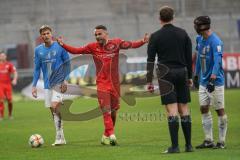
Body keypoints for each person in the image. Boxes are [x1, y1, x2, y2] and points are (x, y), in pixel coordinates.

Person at [57, 25, 149, 146]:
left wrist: (143, 41)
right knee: (106, 110)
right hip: (102, 83)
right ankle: (112, 135)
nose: (97, 36)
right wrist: (63, 44)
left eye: (99, 34)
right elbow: (76, 51)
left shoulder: (116, 43)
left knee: (114, 111)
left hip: (115, 84)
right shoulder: (92, 47)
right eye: (95, 35)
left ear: (106, 34)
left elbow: (131, 44)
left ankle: (106, 135)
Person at [146, 6, 193, 153]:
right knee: (184, 108)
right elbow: (188, 57)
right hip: (181, 72)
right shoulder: (183, 33)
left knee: (171, 110)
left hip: (166, 75)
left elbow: (151, 59)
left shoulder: (155, 36)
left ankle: (175, 147)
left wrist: (149, 80)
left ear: (160, 19)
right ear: (173, 17)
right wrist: (190, 76)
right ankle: (189, 146)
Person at [32, 25, 70, 146]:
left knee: (55, 106)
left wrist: (65, 79)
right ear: (41, 36)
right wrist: (34, 85)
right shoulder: (38, 50)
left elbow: (67, 63)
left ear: (51, 34)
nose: (46, 35)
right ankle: (61, 136)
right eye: (43, 34)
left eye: (47, 33)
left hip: (59, 82)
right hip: (48, 85)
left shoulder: (59, 46)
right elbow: (37, 69)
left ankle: (58, 137)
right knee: (52, 110)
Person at [193, 16, 227, 149]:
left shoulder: (216, 42)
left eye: (196, 25)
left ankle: (222, 141)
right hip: (203, 81)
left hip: (215, 82)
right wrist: (196, 75)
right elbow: (199, 58)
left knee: (219, 110)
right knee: (203, 108)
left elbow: (218, 61)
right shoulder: (199, 39)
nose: (195, 28)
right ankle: (208, 140)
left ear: (202, 26)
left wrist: (212, 79)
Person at [0, 52, 18, 120]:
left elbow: (15, 72)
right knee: (1, 100)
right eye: (1, 56)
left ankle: (10, 115)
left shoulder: (9, 64)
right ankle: (1, 116)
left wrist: (15, 79)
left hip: (8, 85)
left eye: (3, 55)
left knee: (9, 100)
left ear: (6, 56)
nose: (2, 57)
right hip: (0, 85)